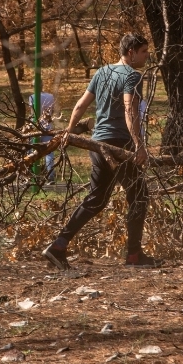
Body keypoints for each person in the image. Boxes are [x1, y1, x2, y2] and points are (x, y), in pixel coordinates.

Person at [42, 33, 157, 270]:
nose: (148, 55)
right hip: (119, 145)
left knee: (97, 199)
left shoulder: (103, 71)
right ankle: (134, 256)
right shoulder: (132, 76)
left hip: (98, 144)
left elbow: (81, 104)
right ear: (131, 52)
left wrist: (69, 132)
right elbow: (129, 109)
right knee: (139, 196)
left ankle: (58, 246)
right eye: (144, 51)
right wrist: (139, 144)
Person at [28, 89, 57, 183]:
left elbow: (32, 113)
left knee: (31, 150)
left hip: (35, 127)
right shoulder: (51, 96)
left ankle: (32, 175)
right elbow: (52, 112)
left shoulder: (32, 97)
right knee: (49, 151)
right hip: (47, 127)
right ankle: (50, 176)